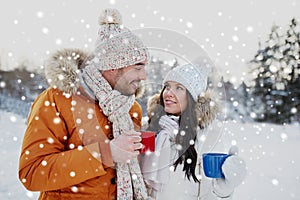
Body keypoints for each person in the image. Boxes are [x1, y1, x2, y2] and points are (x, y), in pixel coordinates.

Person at [18, 8, 151, 200]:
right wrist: (107, 153)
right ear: (113, 67)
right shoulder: (56, 100)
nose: (144, 76)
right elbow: (32, 172)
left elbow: (134, 167)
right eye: (138, 67)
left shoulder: (131, 107)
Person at [140, 63, 247, 199]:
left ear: (192, 97)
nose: (169, 93)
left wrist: (224, 188)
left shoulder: (207, 135)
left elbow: (209, 194)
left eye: (179, 88)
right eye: (167, 86)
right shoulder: (149, 128)